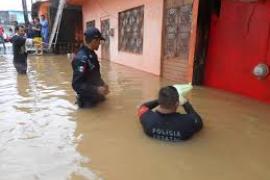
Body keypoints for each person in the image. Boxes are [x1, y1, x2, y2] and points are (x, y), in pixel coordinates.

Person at [137, 86, 203, 142]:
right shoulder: (188, 122)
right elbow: (199, 121)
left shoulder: (146, 118)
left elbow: (142, 107)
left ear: (160, 101)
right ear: (177, 104)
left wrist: (160, 100)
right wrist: (185, 103)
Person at [71, 27, 109, 108]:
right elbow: (76, 85)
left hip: (96, 95)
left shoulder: (92, 54)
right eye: (99, 41)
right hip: (87, 100)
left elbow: (95, 75)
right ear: (94, 41)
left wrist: (103, 84)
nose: (100, 43)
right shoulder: (81, 59)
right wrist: (96, 89)